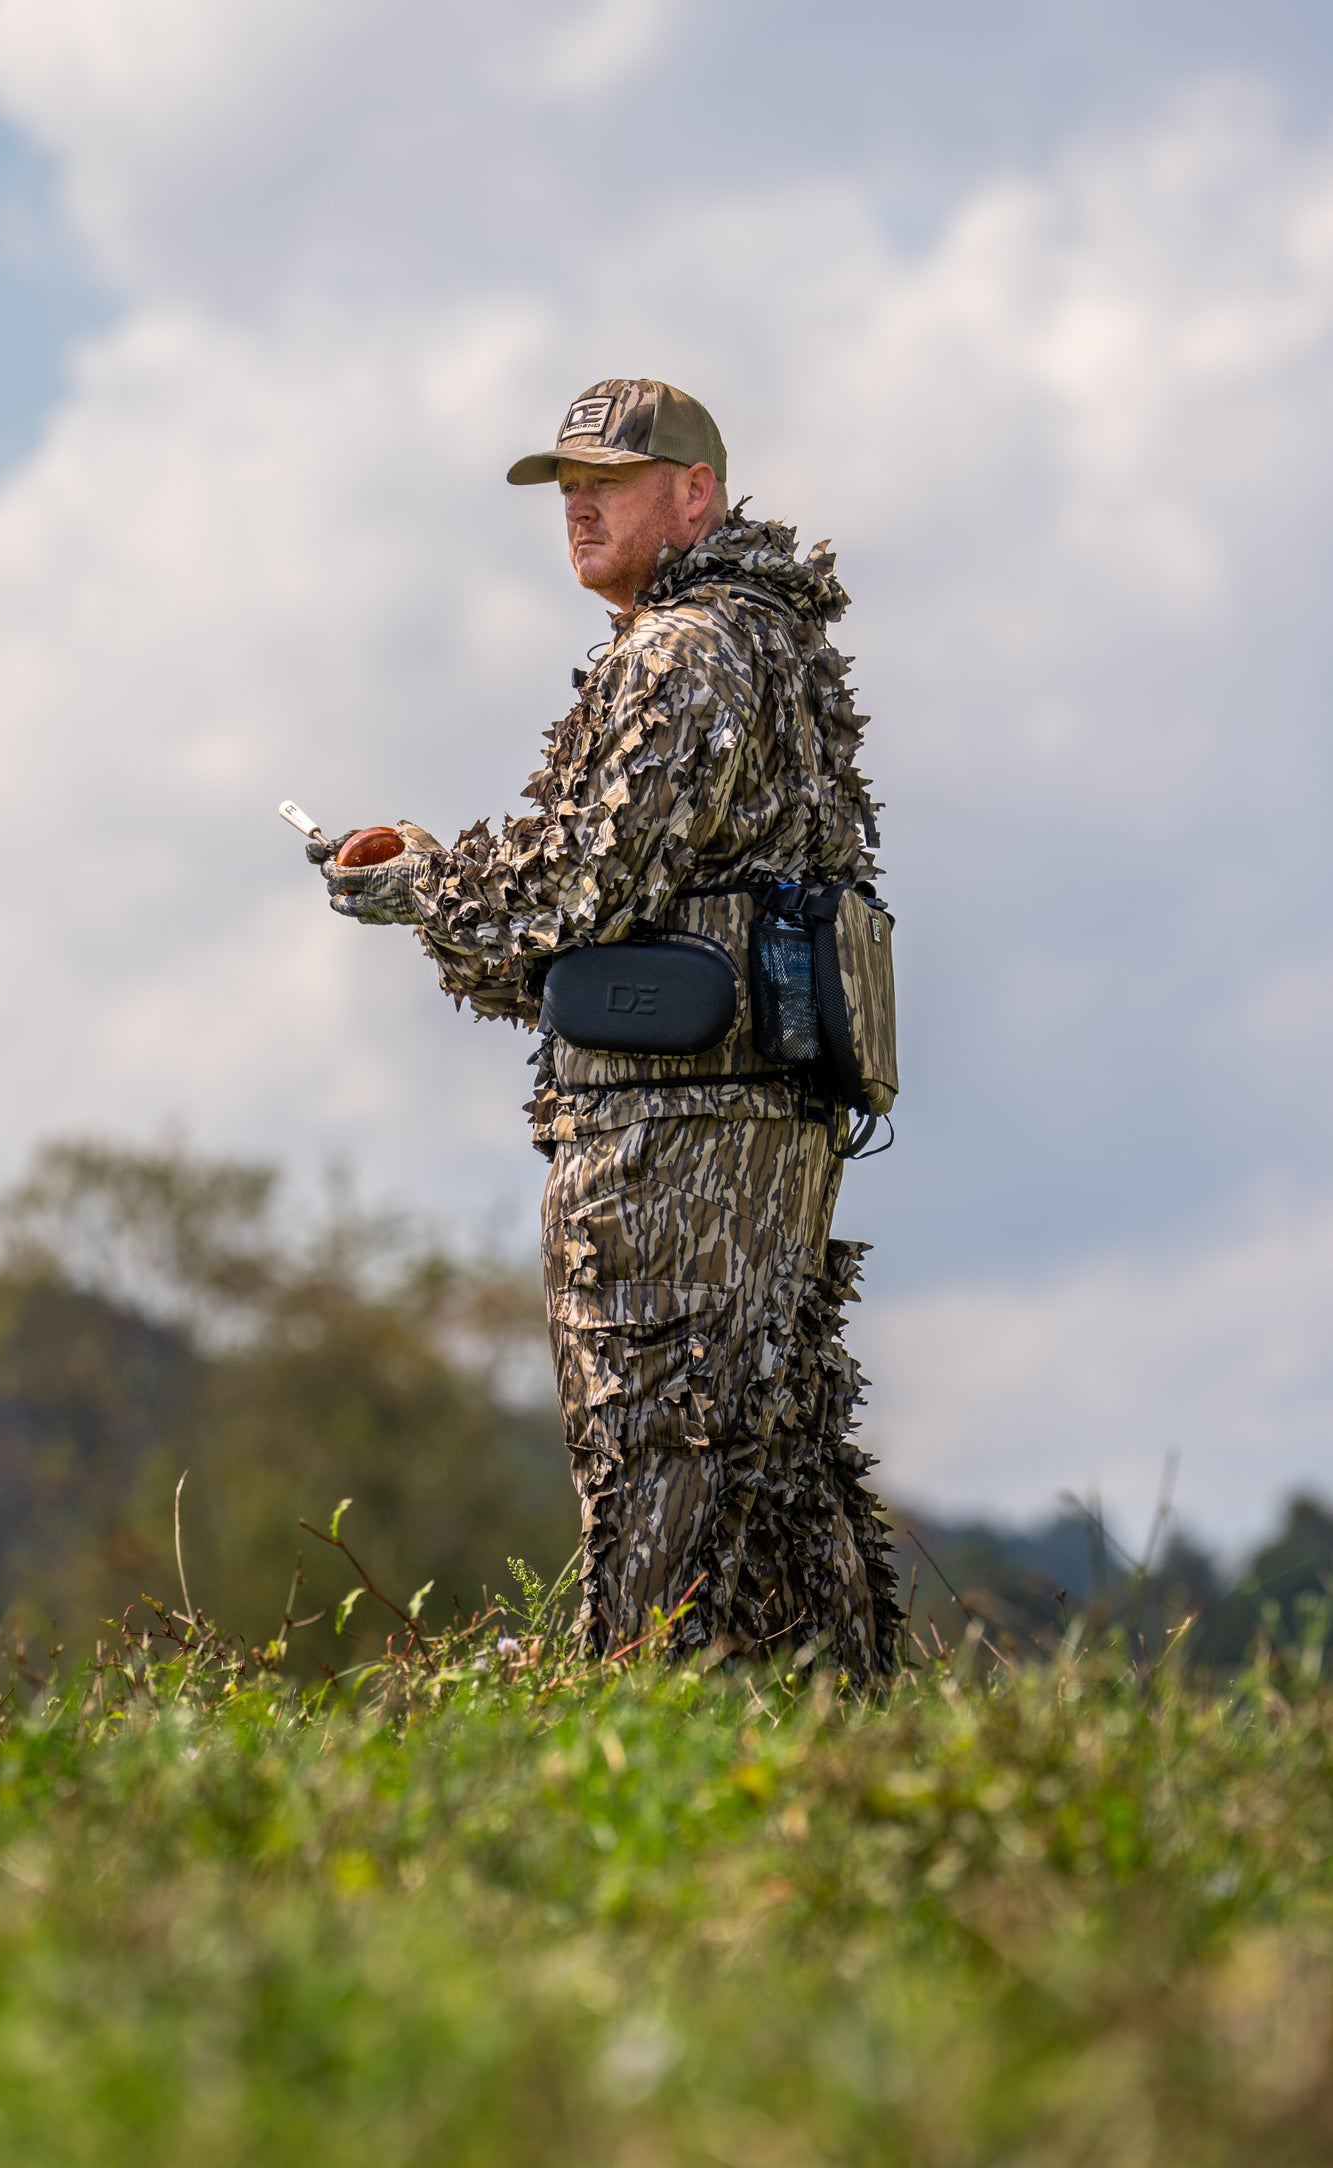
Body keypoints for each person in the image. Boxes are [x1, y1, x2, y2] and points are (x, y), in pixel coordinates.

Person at [313, 378, 900, 1681]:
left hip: (673, 1141)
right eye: (564, 484)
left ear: (693, 495)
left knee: (657, 1442)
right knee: (772, 1466)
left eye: (609, 482)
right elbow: (647, 878)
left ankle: (637, 1729)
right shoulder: (770, 641)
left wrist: (417, 885)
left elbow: (587, 888)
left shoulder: (682, 651)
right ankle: (846, 1756)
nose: (577, 505)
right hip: (759, 1116)